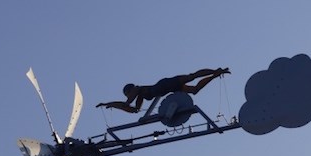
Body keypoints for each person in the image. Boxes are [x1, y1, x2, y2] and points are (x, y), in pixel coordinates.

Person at [96, 67, 230, 113]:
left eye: (127, 94)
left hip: (165, 85)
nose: (128, 96)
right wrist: (111, 105)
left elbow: (127, 104)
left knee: (191, 77)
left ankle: (215, 71)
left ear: (130, 90)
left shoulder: (137, 90)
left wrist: (110, 104)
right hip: (167, 88)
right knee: (194, 89)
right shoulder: (140, 96)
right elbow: (134, 110)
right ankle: (215, 74)